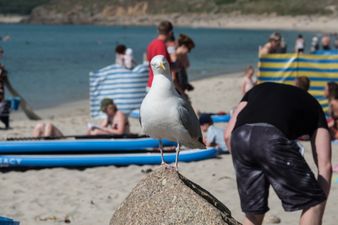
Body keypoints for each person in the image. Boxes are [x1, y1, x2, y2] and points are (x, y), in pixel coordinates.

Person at [224, 82, 332, 225]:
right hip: (270, 137)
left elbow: (227, 135)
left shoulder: (257, 89)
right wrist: (319, 203)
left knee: (254, 213)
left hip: (240, 138)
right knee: (313, 202)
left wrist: (247, 161)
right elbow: (325, 166)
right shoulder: (314, 106)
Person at [33, 98, 129, 137]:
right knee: (41, 125)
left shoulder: (119, 115)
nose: (105, 112)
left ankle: (42, 146)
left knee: (49, 125)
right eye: (103, 111)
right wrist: (91, 129)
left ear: (110, 107)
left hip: (122, 140)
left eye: (105, 110)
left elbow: (120, 132)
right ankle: (35, 146)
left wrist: (100, 130)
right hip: (112, 138)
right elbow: (99, 128)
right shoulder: (109, 117)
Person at [146, 20, 173, 89]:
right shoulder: (161, 45)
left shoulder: (151, 44)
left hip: (151, 83)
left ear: (158, 31)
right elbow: (162, 68)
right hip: (159, 86)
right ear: (170, 33)